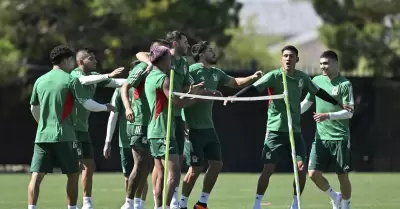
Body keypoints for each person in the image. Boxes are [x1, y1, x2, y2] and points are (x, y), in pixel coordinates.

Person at [228, 45, 353, 209]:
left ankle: (295, 204)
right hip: (275, 131)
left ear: (297, 60)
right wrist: (235, 97)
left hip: (295, 132)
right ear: (281, 59)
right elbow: (253, 88)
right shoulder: (273, 76)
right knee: (268, 169)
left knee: (302, 169)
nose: (288, 59)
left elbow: (319, 93)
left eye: (292, 56)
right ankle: (257, 204)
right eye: (285, 56)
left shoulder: (303, 78)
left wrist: (337, 103)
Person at [28, 45, 115, 209]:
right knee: (73, 175)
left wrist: (43, 124)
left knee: (36, 176)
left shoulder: (40, 80)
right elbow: (87, 103)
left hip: (42, 136)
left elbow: (33, 107)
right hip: (66, 136)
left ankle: (31, 207)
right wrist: (106, 107)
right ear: (67, 60)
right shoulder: (71, 79)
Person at [179, 41, 263, 209]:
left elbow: (235, 82)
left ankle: (202, 203)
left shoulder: (216, 73)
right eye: (210, 50)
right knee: (195, 169)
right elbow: (183, 91)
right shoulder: (192, 70)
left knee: (217, 164)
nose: (213, 53)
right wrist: (207, 93)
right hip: (193, 128)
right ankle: (181, 203)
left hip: (209, 128)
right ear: (201, 55)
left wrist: (252, 77)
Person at [136, 31, 202, 208]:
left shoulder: (152, 76)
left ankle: (159, 206)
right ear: (163, 59)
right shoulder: (163, 78)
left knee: (164, 171)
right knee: (174, 174)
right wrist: (196, 97)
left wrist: (191, 91)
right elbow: (178, 102)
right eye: (167, 58)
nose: (170, 61)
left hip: (156, 130)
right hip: (163, 130)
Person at [70, 48, 127, 209]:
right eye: (91, 59)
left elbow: (117, 83)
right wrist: (105, 106)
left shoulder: (93, 76)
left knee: (89, 165)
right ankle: (73, 205)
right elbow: (84, 85)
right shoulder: (75, 75)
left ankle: (87, 203)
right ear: (81, 62)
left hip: (83, 129)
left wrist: (138, 80)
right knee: (75, 168)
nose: (95, 61)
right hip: (71, 130)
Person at [118, 39, 171, 209]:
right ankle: (128, 203)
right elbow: (124, 87)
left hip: (152, 123)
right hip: (139, 121)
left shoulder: (163, 71)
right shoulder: (142, 67)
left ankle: (139, 203)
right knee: (140, 163)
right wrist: (127, 108)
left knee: (148, 165)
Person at [301, 50, 354, 209]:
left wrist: (328, 116)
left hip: (340, 138)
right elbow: (306, 103)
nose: (323, 67)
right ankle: (334, 197)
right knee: (313, 173)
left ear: (335, 63)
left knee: (342, 176)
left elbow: (349, 113)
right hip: (321, 138)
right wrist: (293, 112)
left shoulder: (345, 84)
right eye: (321, 64)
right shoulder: (316, 81)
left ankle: (345, 206)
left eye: (326, 63)